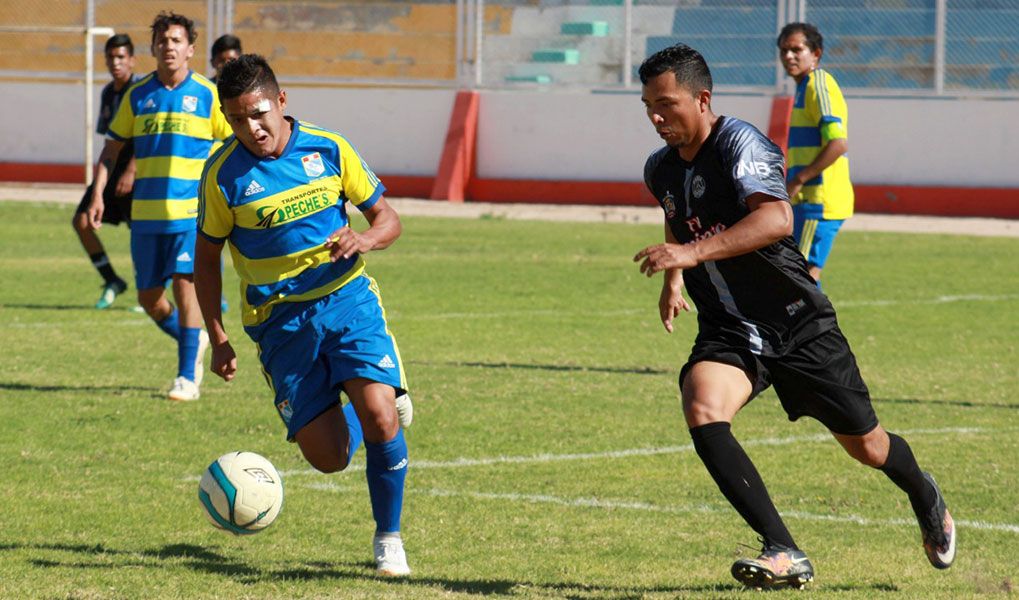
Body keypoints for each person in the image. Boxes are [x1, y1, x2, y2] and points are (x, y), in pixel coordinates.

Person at [632, 44, 955, 589]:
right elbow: (678, 221)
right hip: (731, 328)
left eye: (667, 104)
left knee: (869, 447)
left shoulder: (740, 143)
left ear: (702, 98)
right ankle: (783, 549)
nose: (656, 117)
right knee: (702, 403)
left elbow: (779, 219)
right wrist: (674, 275)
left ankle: (924, 493)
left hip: (796, 323)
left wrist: (690, 256)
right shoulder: (659, 168)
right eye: (647, 106)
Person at [195, 54, 414, 576]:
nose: (252, 129)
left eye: (259, 113)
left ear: (282, 101)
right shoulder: (222, 174)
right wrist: (219, 337)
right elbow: (205, 261)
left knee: (381, 416)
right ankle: (378, 408)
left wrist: (363, 237)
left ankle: (389, 538)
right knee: (330, 457)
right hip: (279, 323)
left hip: (346, 299)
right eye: (237, 119)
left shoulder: (330, 148)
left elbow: (388, 218)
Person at [88, 11, 231, 401]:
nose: (169, 46)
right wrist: (99, 193)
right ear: (152, 48)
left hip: (190, 216)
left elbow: (231, 144)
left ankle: (187, 377)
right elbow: (112, 148)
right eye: (162, 40)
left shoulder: (207, 95)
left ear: (190, 49)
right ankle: (194, 340)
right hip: (147, 216)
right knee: (149, 299)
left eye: (176, 40)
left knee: (187, 288)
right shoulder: (139, 96)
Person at [778, 22, 854, 286]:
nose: (789, 56)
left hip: (818, 200)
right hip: (808, 201)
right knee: (798, 275)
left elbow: (837, 144)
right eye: (784, 50)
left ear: (816, 53)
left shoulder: (818, 84)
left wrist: (798, 180)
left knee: (802, 277)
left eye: (797, 49)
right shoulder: (803, 87)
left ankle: (815, 328)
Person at [72, 34, 140, 309]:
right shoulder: (108, 92)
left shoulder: (140, 92)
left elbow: (145, 136)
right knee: (82, 221)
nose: (116, 62)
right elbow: (110, 141)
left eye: (121, 56)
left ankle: (151, 292)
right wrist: (100, 183)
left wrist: (132, 170)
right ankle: (112, 279)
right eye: (111, 57)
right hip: (112, 170)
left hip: (139, 171)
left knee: (142, 235)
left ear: (132, 60)